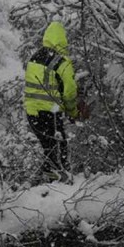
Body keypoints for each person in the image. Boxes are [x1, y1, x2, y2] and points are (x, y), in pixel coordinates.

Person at [23, 21, 80, 182]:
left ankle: (44, 182)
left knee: (49, 150)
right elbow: (69, 91)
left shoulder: (34, 58)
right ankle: (58, 185)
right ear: (62, 40)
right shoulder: (61, 62)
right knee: (59, 152)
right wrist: (72, 112)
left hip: (32, 114)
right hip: (50, 114)